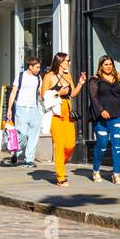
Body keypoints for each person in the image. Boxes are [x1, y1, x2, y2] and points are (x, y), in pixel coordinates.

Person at [41, 52, 86, 187]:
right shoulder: (49, 76)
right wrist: (58, 93)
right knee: (60, 145)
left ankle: (60, 164)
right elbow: (43, 95)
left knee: (70, 145)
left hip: (68, 114)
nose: (69, 62)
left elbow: (72, 94)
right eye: (67, 60)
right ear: (60, 62)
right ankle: (60, 176)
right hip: (56, 115)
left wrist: (80, 84)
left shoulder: (67, 75)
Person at [88, 56, 120, 184]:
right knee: (103, 144)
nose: (109, 66)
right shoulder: (95, 80)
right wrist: (101, 110)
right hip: (101, 117)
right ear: (101, 66)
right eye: (106, 64)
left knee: (117, 145)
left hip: (118, 115)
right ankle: (96, 169)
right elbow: (93, 98)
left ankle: (116, 174)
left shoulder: (118, 79)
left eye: (110, 64)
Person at [5, 57, 43, 167]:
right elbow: (13, 92)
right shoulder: (21, 76)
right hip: (21, 108)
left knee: (34, 135)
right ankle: (16, 152)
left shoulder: (38, 78)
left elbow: (40, 92)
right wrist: (9, 109)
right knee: (22, 134)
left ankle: (29, 159)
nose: (39, 69)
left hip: (35, 109)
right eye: (37, 67)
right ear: (30, 67)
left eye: (39, 67)